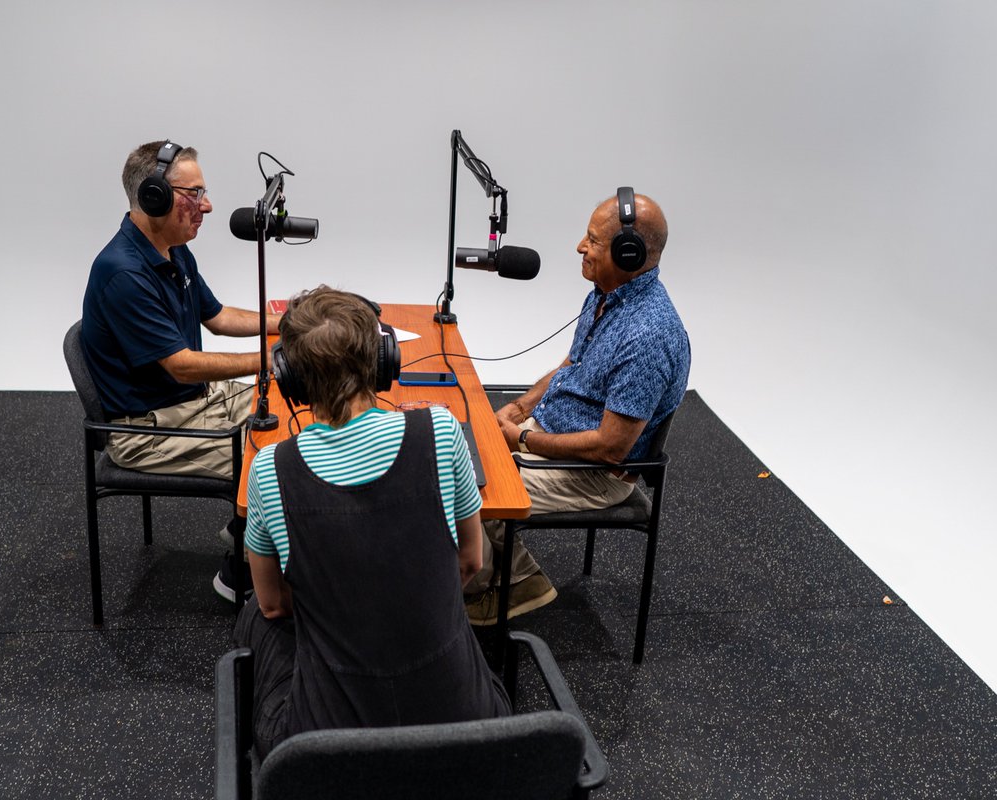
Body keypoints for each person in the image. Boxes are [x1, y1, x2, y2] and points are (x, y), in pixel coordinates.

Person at [233, 286, 510, 757]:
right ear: (384, 360)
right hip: (467, 731)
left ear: (290, 378)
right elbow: (470, 561)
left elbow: (275, 605)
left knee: (253, 616)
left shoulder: (269, 470)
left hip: (324, 751)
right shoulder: (442, 431)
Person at [464, 189, 691, 626]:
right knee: (463, 448)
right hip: (552, 438)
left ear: (628, 253)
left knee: (473, 488)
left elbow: (610, 448)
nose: (579, 246)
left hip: (594, 473)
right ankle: (511, 574)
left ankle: (507, 587)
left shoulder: (648, 336)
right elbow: (573, 364)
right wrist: (521, 408)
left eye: (593, 240)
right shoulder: (605, 295)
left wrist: (522, 438)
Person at [80, 139, 279, 481]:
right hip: (149, 431)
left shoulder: (173, 249)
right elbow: (182, 366)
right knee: (274, 462)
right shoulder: (123, 273)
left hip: (197, 400)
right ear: (154, 197)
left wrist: (286, 324)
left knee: (293, 406)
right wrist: (271, 360)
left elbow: (218, 317)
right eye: (194, 193)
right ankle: (254, 513)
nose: (207, 206)